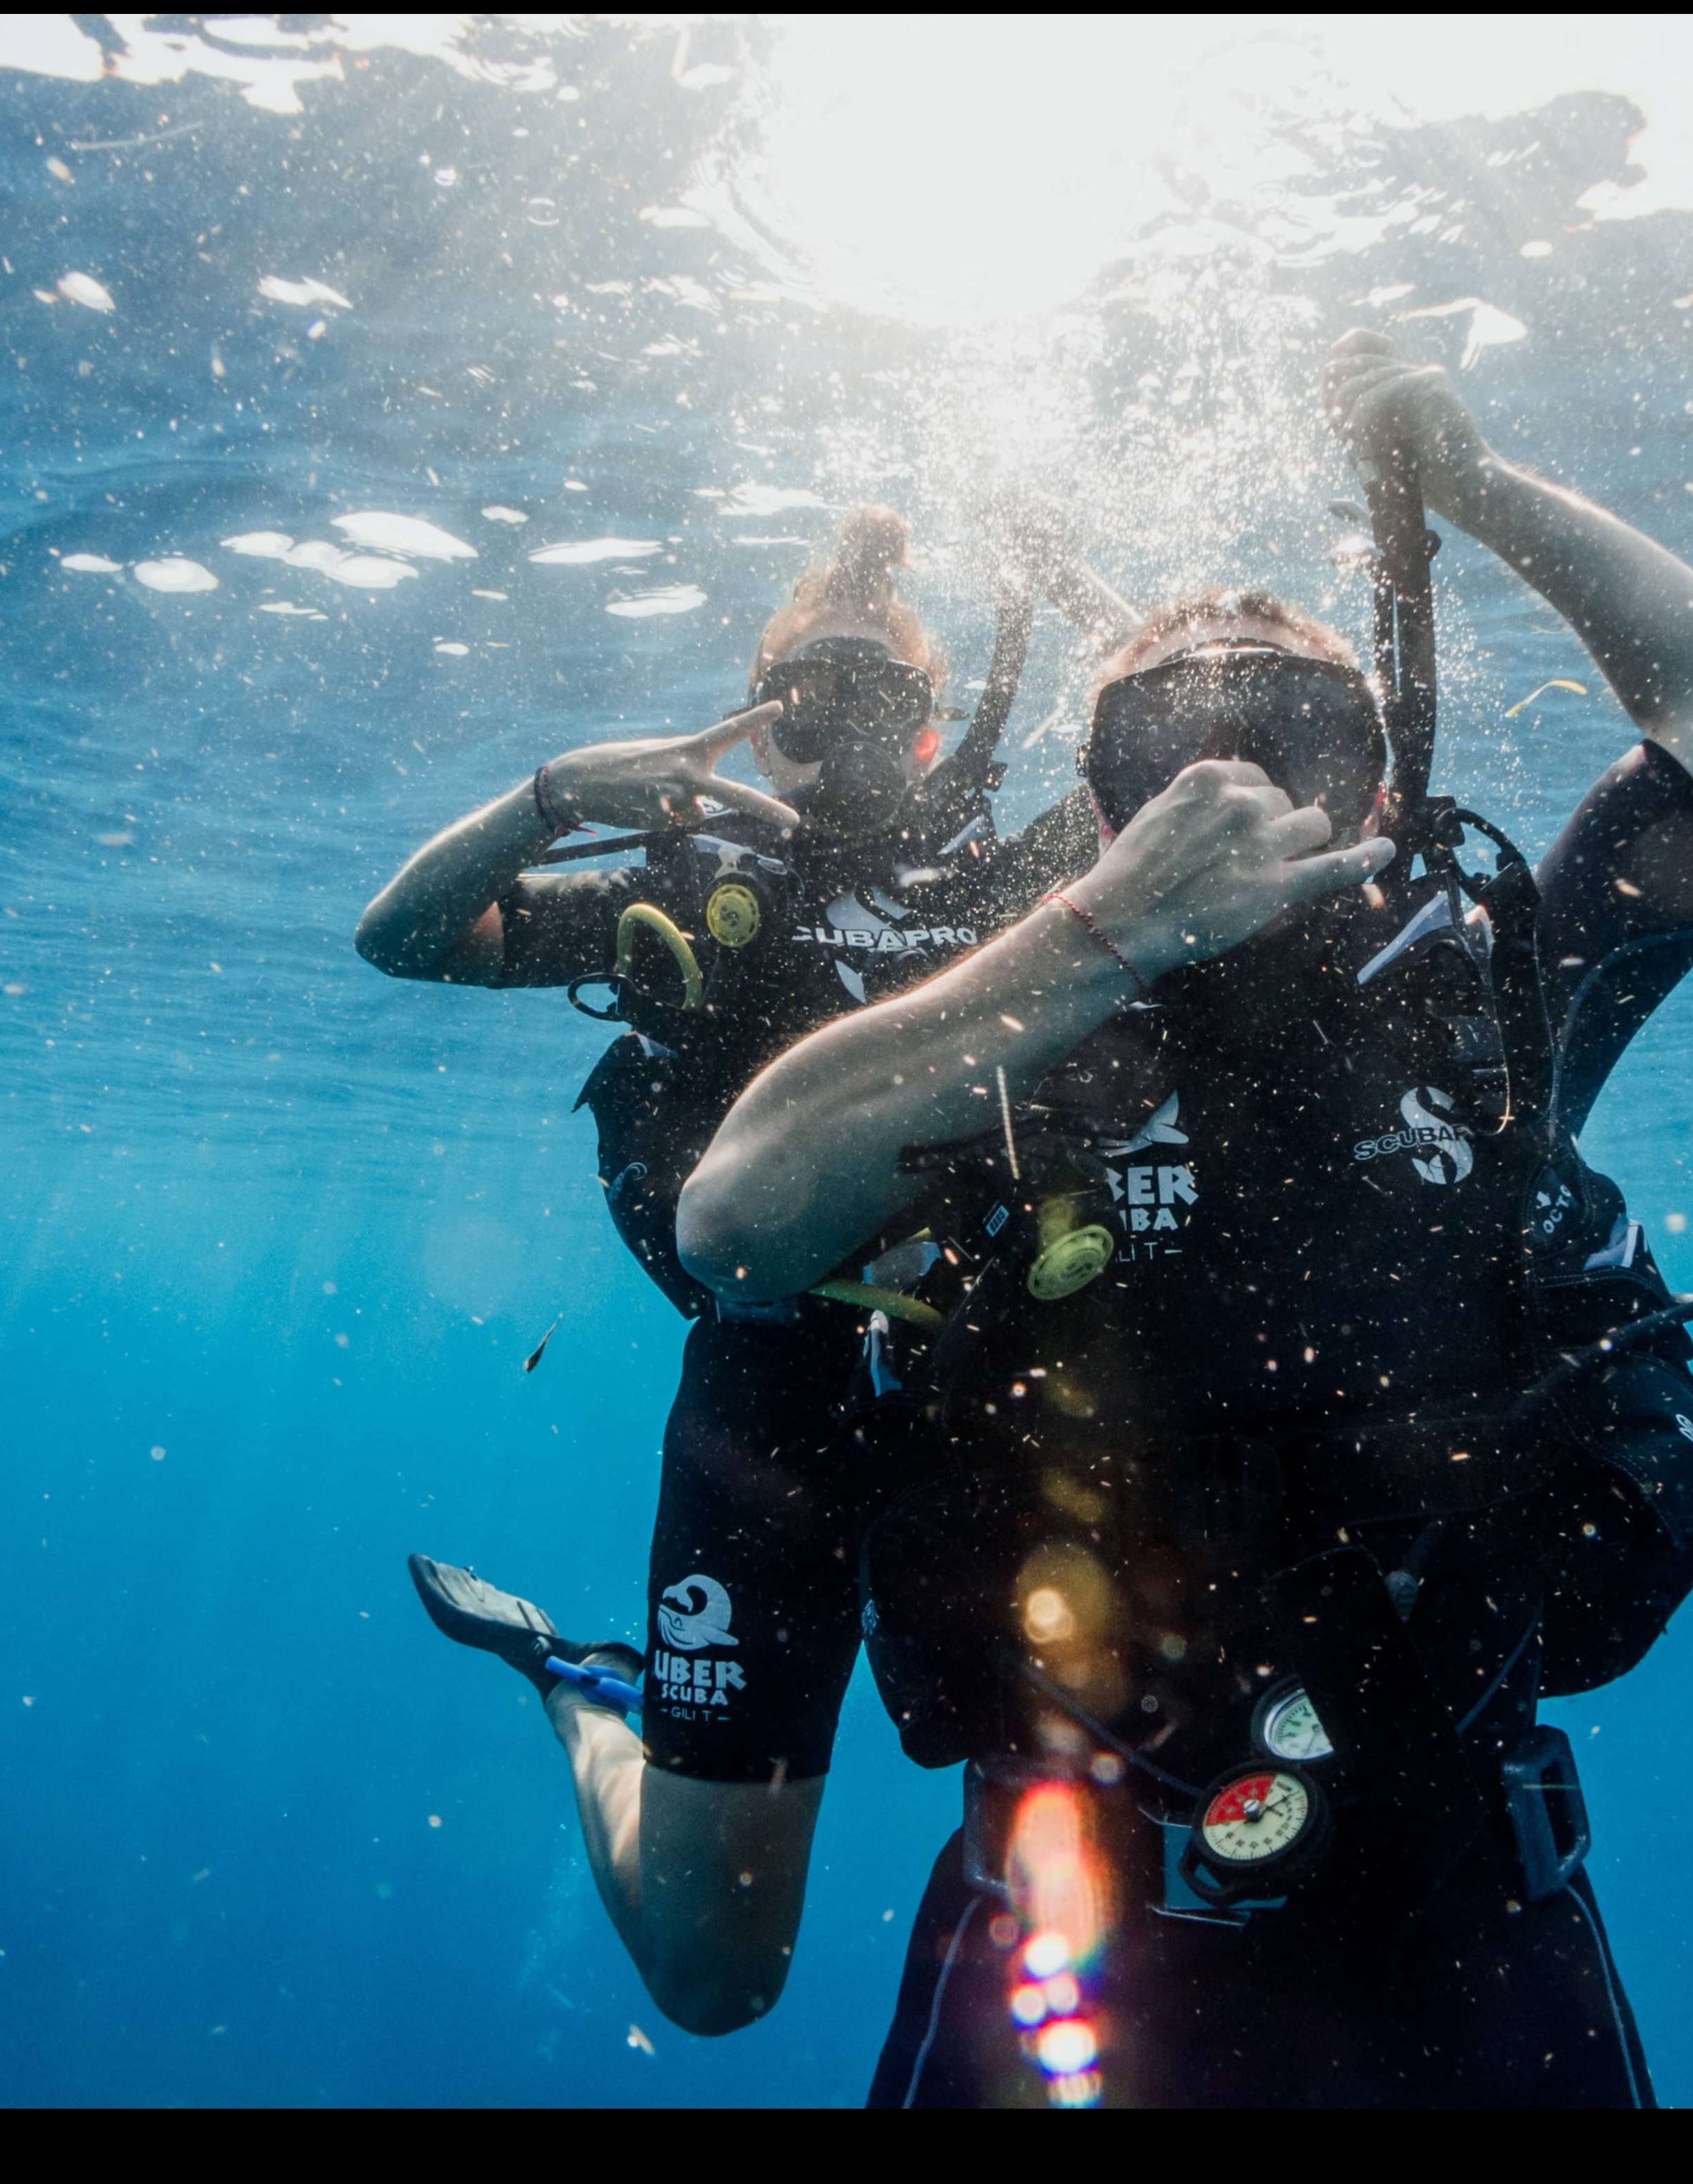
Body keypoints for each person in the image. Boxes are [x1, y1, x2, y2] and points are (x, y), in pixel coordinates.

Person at [669, 329, 1693, 2105]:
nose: (1246, 783)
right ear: (1102, 801)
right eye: (1175, 741)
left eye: (1302, 728)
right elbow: (733, 1225)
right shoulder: (1005, 1025)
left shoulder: (1480, 998)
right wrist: (1096, 939)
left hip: (1475, 1950)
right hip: (1060, 1949)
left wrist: (1482, 488)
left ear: (1381, 777)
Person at [356, 510, 1121, 2034]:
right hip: (765, 1416)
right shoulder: (680, 900)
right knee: (713, 1979)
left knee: (1103, 1827)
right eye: (799, 704)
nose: (836, 737)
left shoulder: (1020, 887)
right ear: (754, 728)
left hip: (997, 1396)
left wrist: (1087, 589)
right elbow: (405, 935)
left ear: (930, 729)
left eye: (877, 702)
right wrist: (555, 796)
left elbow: (1192, 761)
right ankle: (593, 1689)